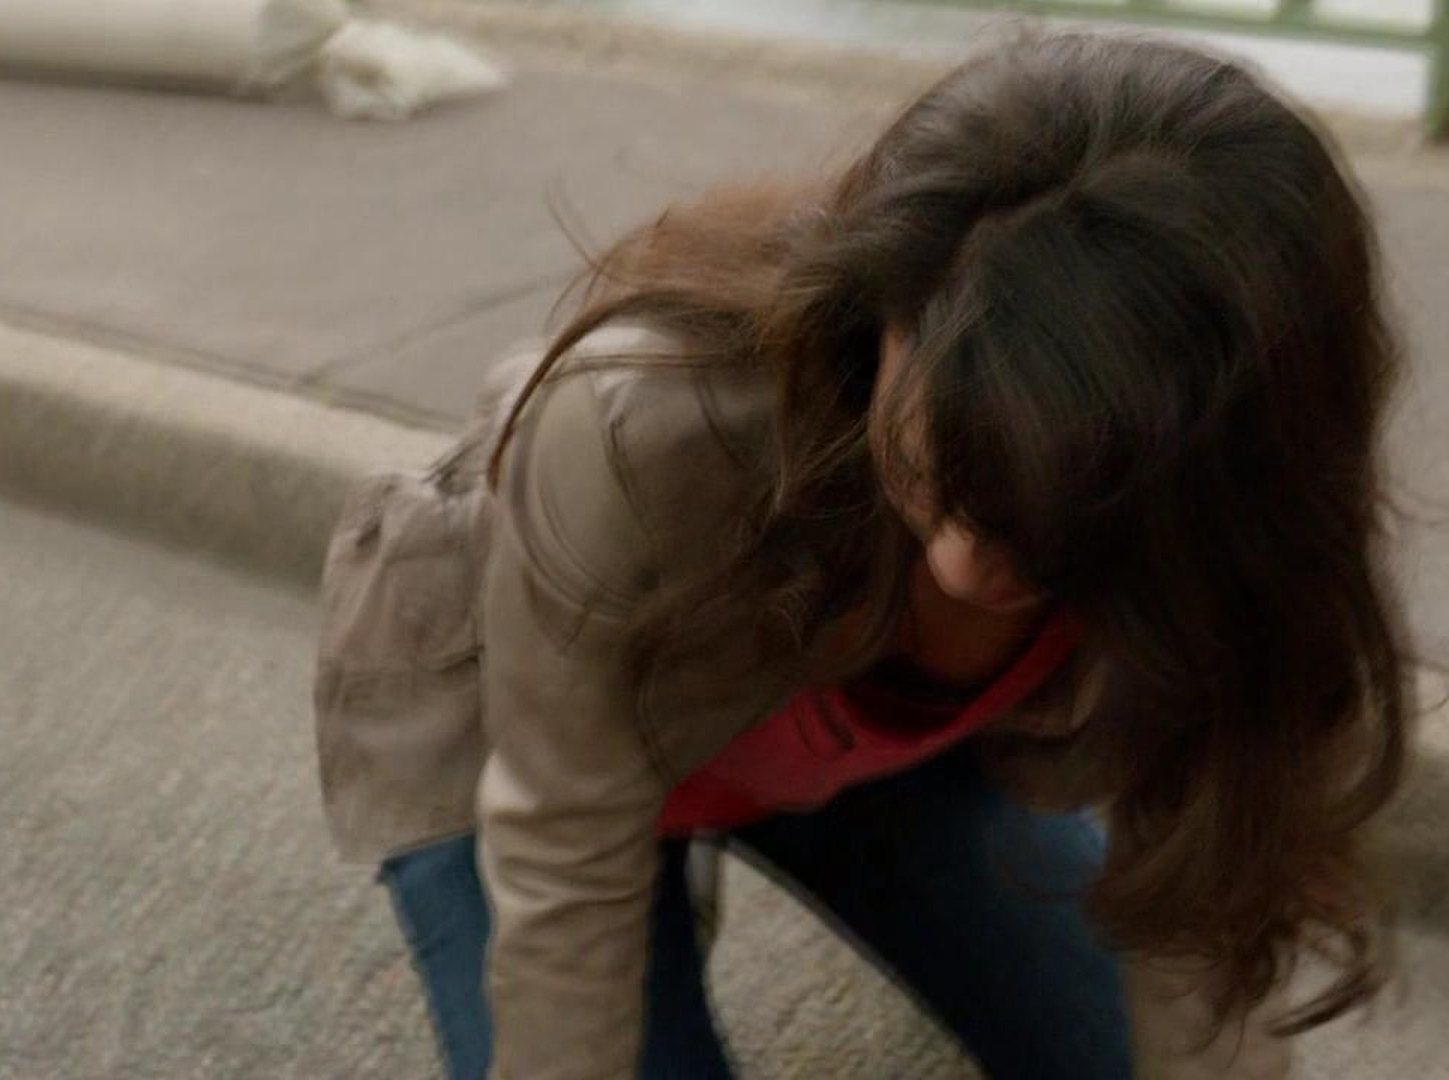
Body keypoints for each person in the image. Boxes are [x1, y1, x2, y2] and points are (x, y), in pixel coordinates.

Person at [314, 32, 1413, 1080]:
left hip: (873, 754)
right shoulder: (641, 431)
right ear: (876, 307)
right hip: (529, 748)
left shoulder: (1233, 513)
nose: (971, 568)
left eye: (1054, 519)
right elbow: (564, 845)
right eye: (953, 466)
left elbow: (1202, 896)